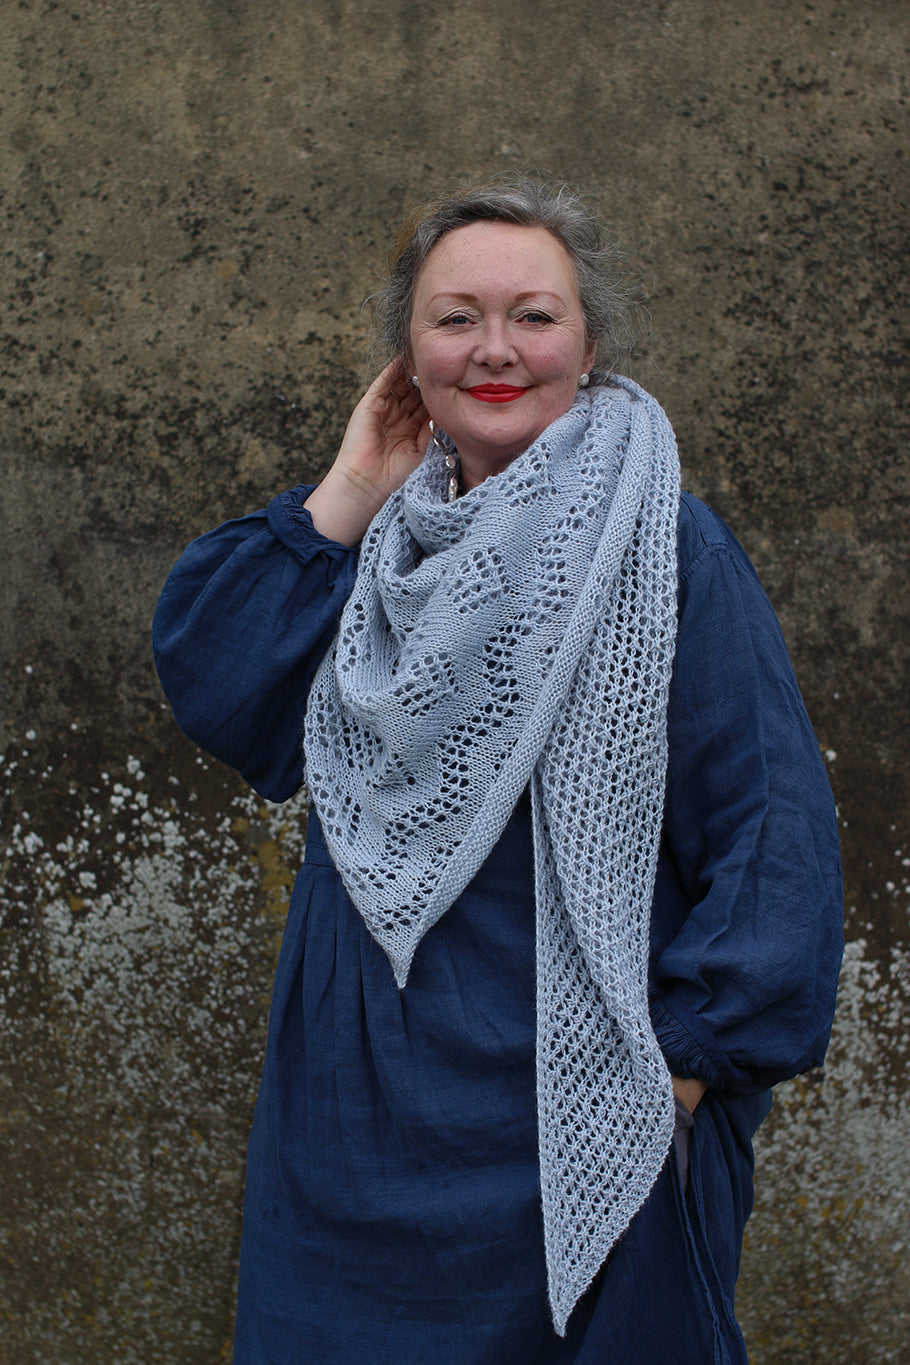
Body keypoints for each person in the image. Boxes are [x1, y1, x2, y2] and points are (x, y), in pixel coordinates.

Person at [153, 178, 843, 1363]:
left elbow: (770, 829)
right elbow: (217, 680)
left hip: (576, 1118)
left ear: (588, 346)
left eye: (534, 316)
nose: (495, 350)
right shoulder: (369, 556)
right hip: (351, 1122)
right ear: (405, 359)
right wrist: (354, 489)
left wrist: (679, 1082)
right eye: (454, 318)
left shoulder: (667, 549)